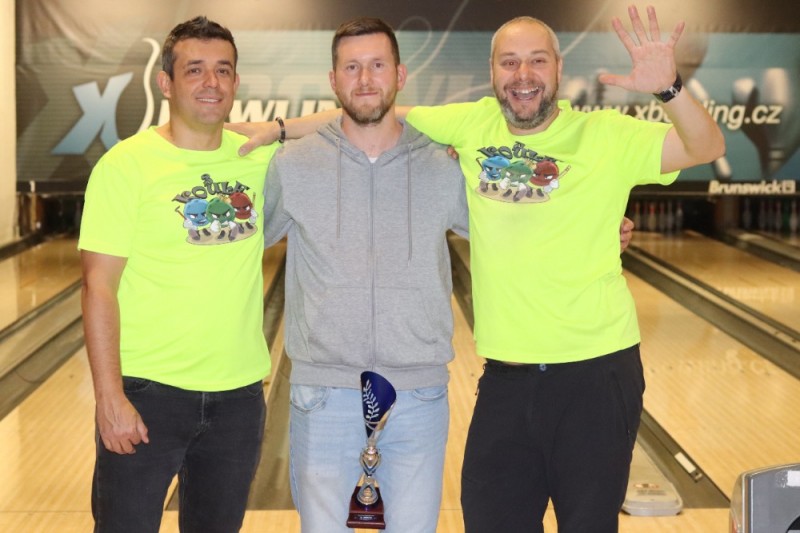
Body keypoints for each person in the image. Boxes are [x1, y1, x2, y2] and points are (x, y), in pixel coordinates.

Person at [231, 6, 724, 532]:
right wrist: (279, 130)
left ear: (559, 67)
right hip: (506, 378)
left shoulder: (606, 135)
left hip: (595, 374)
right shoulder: (472, 125)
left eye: (537, 60)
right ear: (492, 73)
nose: (523, 74)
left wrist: (669, 88)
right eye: (509, 62)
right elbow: (372, 112)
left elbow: (706, 146)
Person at [262, 17, 469, 533]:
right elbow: (232, 244)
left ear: (400, 74)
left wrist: (601, 230)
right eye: (351, 67)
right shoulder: (293, 164)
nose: (365, 78)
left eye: (377, 65)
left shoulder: (445, 165)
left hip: (418, 394)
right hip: (322, 393)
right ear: (333, 81)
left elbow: (517, 228)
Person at [79, 16, 279, 533]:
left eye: (223, 70)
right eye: (195, 70)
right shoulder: (126, 166)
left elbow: (346, 125)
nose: (211, 82)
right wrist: (109, 397)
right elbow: (98, 286)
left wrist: (279, 129)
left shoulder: (259, 158)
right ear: (166, 83)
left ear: (236, 82)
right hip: (147, 394)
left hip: (238, 398)